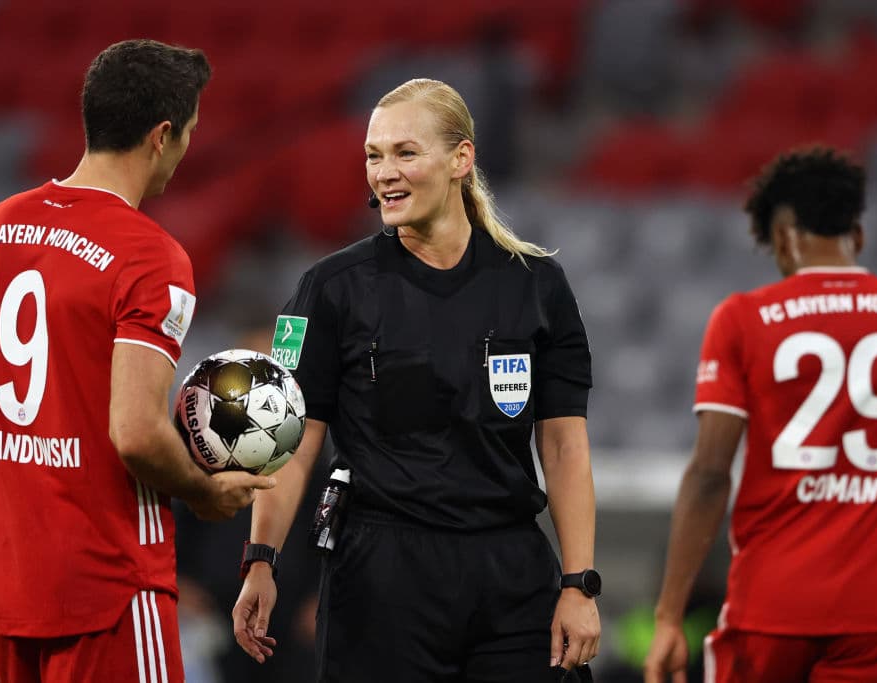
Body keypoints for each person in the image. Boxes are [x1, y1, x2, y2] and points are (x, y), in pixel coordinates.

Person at [232, 78, 601, 683]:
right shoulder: (330, 288)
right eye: (374, 156)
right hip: (380, 575)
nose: (384, 172)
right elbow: (292, 443)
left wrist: (579, 583)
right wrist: (261, 560)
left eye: (405, 153)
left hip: (510, 570)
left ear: (462, 159)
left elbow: (562, 445)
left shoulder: (537, 285)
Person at [0, 39, 275, 682]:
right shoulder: (149, 256)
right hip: (112, 586)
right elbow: (135, 432)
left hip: (13, 587)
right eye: (188, 134)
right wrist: (205, 491)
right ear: (161, 135)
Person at [644, 146, 877, 683]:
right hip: (875, 619)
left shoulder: (744, 320)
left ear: (781, 239)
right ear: (858, 237)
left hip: (768, 612)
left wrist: (668, 615)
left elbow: (709, 475)